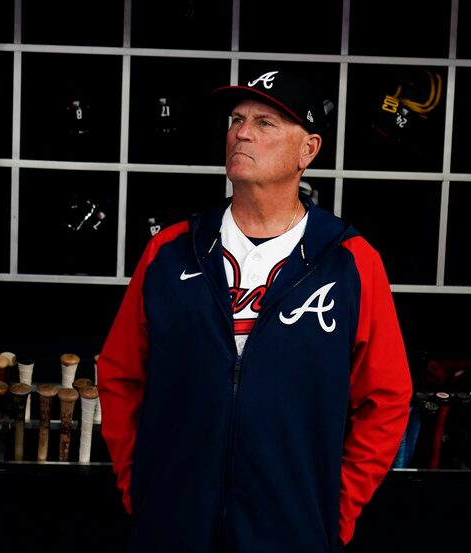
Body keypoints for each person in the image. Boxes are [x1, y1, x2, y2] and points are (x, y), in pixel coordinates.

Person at [98, 67, 413, 553]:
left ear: (308, 150)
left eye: (266, 123)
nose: (241, 132)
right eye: (236, 119)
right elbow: (119, 375)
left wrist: (335, 510)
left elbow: (387, 398)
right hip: (171, 530)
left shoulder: (350, 262)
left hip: (292, 533)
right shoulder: (170, 251)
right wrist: (139, 486)